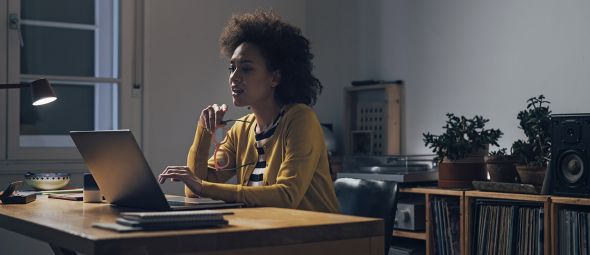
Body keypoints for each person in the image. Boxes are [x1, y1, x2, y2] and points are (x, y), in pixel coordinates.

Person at [158, 10, 339, 213]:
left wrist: (203, 187)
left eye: (246, 69)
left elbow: (286, 196)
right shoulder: (241, 129)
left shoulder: (300, 118)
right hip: (269, 234)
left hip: (318, 235)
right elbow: (195, 192)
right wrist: (204, 131)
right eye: (231, 68)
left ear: (275, 78)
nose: (234, 78)